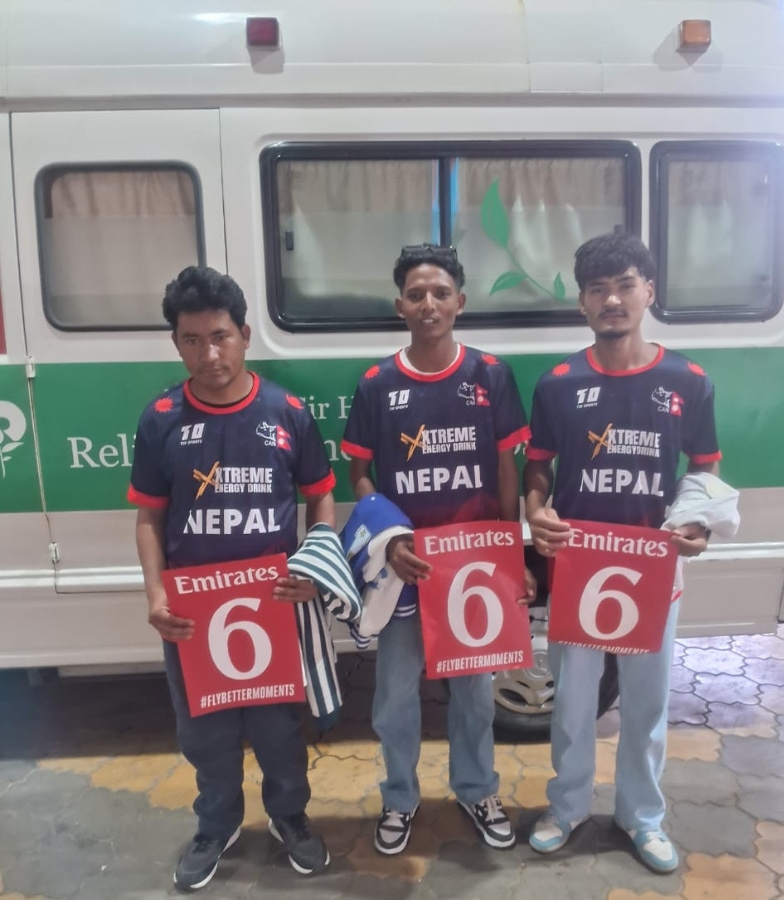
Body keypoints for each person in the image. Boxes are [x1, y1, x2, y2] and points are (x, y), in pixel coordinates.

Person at [130, 266, 335, 890]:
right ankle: (215, 825)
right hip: (192, 614)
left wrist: (314, 564)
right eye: (192, 339)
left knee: (278, 729)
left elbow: (321, 499)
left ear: (245, 334)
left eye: (220, 336)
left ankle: (289, 817)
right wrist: (156, 593)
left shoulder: (288, 413)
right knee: (205, 733)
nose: (208, 353)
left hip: (272, 604)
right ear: (176, 344)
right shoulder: (161, 417)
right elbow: (148, 519)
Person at [522, 234, 719, 871]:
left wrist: (700, 526)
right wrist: (536, 511)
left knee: (646, 707)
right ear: (581, 301)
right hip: (579, 568)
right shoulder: (558, 384)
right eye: (599, 289)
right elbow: (538, 468)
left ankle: (643, 817)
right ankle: (568, 805)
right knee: (573, 703)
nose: (613, 299)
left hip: (652, 573)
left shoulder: (688, 380)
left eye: (626, 285)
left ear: (649, 292)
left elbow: (706, 471)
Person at [342, 245, 528, 855]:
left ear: (460, 302)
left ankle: (476, 789)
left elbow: (506, 468)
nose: (429, 304)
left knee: (475, 694)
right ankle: (399, 798)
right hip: (403, 572)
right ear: (400, 305)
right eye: (416, 294)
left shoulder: (491, 375)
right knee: (395, 695)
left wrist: (511, 558)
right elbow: (361, 479)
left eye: (440, 293)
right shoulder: (377, 384)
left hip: (472, 568)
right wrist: (391, 541)